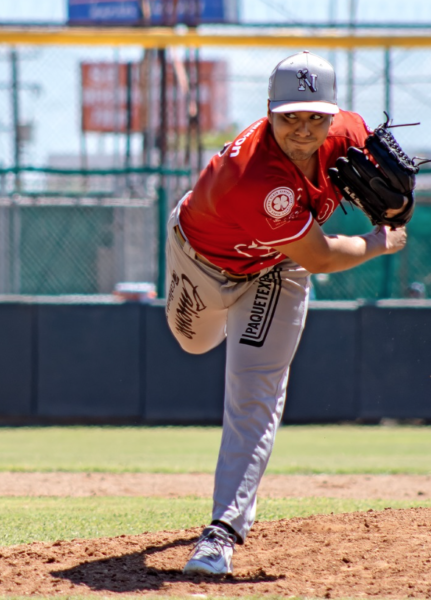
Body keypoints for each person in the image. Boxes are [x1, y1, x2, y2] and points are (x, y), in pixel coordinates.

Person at [164, 50, 408, 575]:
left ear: (333, 113)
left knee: (255, 391)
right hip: (204, 260)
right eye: (290, 115)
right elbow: (321, 256)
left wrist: (393, 207)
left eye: (315, 116)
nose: (303, 128)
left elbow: (317, 248)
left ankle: (221, 531)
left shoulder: (350, 134)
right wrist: (380, 241)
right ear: (269, 110)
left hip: (276, 269)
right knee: (192, 342)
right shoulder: (250, 175)